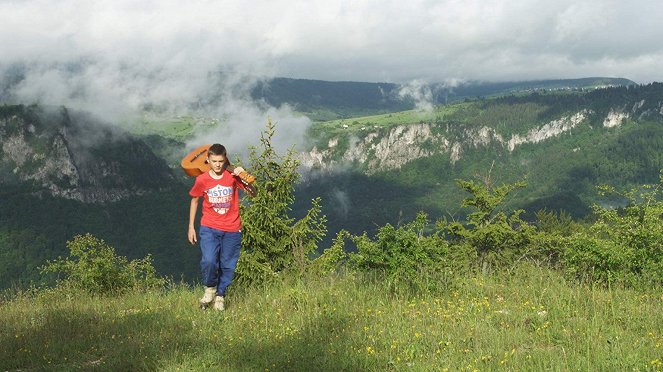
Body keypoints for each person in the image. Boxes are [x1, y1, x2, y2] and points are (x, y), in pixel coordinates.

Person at [187, 143, 257, 311]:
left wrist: (243, 176)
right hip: (209, 227)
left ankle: (220, 296)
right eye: (214, 161)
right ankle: (210, 288)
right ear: (208, 160)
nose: (217, 164)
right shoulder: (202, 179)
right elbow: (195, 200)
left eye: (220, 161)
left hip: (232, 228)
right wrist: (191, 227)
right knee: (209, 260)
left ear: (225, 160)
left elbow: (253, 193)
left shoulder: (232, 176)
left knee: (227, 265)